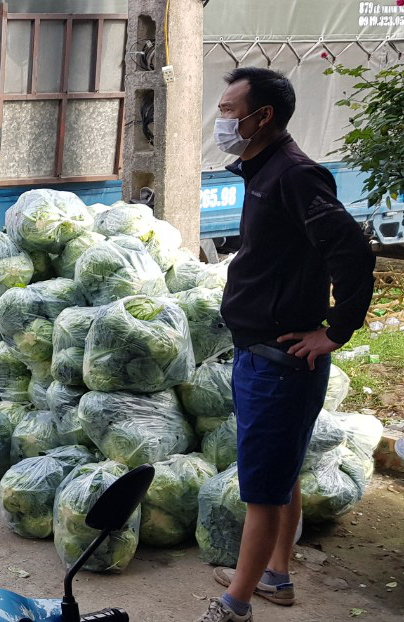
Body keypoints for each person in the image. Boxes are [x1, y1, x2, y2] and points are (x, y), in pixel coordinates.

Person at [196, 67, 374, 622]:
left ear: (261, 116)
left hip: (281, 361)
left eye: (229, 111)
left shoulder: (295, 175)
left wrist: (335, 332)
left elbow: (354, 252)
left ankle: (235, 605)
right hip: (260, 354)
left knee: (263, 492)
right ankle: (276, 577)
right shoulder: (264, 170)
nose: (223, 120)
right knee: (281, 472)